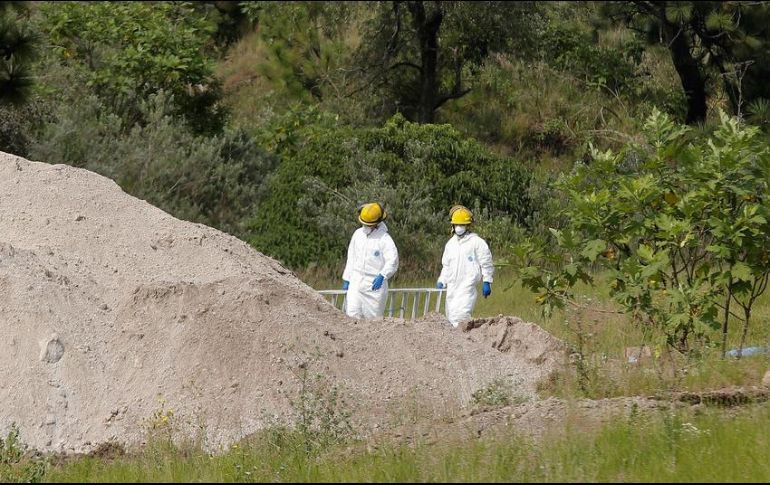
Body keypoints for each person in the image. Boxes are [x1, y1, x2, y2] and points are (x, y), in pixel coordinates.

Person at [435, 205, 494, 327]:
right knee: (450, 317)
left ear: (468, 226)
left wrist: (487, 281)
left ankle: (462, 343)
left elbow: (486, 262)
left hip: (467, 286)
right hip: (452, 287)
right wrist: (442, 280)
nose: (459, 228)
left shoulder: (476, 242)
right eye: (456, 225)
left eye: (461, 225)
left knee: (461, 317)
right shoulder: (451, 244)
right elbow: (446, 265)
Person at [341, 202, 399, 319]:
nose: (366, 227)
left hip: (374, 285)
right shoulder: (358, 234)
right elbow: (351, 257)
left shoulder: (385, 239)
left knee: (373, 321)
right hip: (356, 281)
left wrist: (383, 275)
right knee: (352, 316)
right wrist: (347, 278)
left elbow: (392, 261)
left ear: (377, 223)